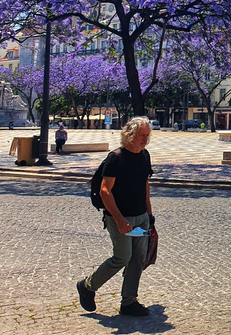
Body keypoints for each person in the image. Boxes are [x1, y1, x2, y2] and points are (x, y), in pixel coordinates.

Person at [77, 117, 154, 316]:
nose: (145, 139)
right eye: (141, 135)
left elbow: (145, 187)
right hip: (120, 218)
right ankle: (87, 286)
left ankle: (128, 302)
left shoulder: (145, 156)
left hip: (141, 217)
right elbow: (105, 191)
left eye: (147, 135)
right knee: (122, 257)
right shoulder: (116, 158)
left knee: (137, 258)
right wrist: (120, 219)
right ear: (129, 135)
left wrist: (150, 216)